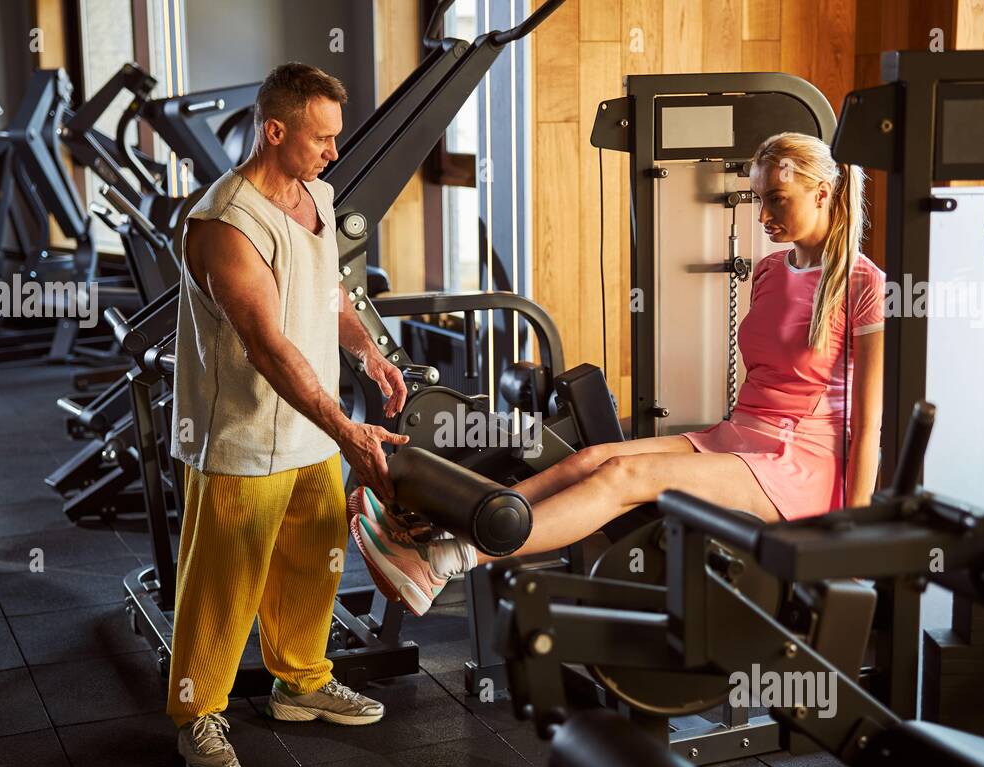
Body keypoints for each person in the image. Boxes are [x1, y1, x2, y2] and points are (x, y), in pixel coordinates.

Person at [352, 132, 885, 617]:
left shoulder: (863, 284)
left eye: (777, 199)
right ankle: (435, 529)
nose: (764, 214)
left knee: (622, 476)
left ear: (823, 193)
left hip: (797, 466)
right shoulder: (770, 270)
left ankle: (449, 560)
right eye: (759, 198)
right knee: (591, 458)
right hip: (738, 435)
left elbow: (868, 428)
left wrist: (852, 539)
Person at [169, 63, 412, 767]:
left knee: (313, 564)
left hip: (313, 428)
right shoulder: (227, 223)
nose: (333, 152)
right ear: (275, 131)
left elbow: (332, 292)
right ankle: (195, 715)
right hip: (242, 436)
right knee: (224, 584)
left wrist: (367, 351)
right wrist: (349, 431)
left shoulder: (319, 195)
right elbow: (268, 347)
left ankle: (300, 683)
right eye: (320, 138)